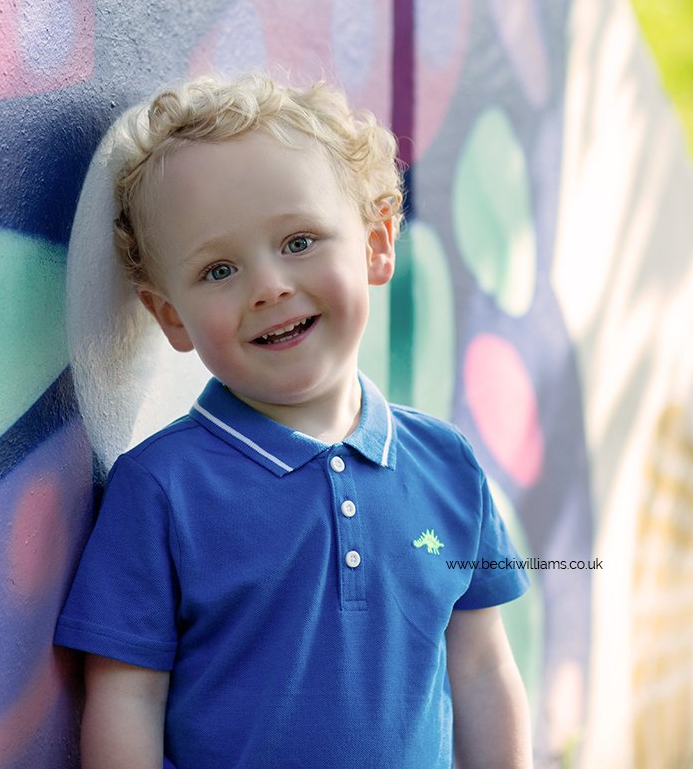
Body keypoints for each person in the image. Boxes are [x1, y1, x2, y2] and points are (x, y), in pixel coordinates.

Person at [55, 73, 533, 769]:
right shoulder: (161, 489)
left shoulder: (447, 464)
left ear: (376, 243)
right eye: (219, 270)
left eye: (300, 241)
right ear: (170, 317)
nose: (270, 286)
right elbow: (127, 699)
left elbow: (484, 668)